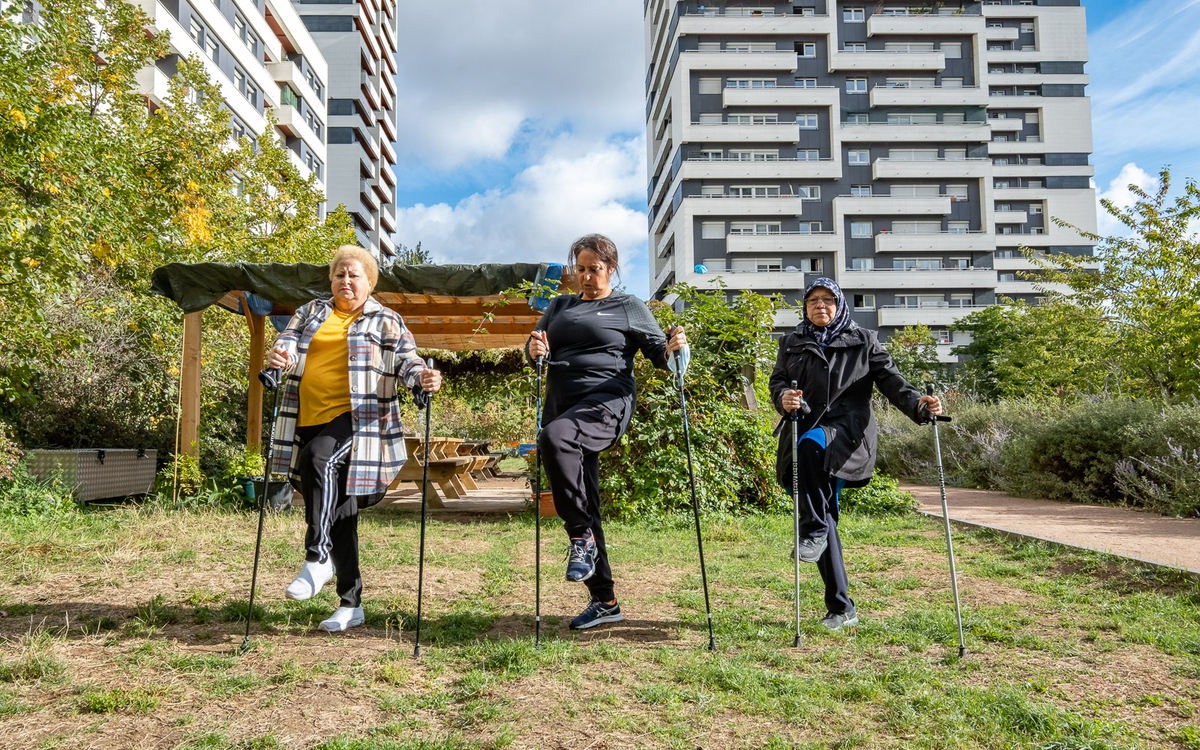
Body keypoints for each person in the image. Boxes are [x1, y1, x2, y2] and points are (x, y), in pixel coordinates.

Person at [266, 245, 442, 632]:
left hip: (359, 422)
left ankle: (317, 556)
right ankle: (351, 603)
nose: (345, 281)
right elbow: (288, 344)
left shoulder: (386, 320)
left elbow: (407, 361)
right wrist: (279, 355)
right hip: (307, 419)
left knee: (318, 460)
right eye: (339, 275)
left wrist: (423, 378)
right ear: (331, 279)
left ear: (369, 282)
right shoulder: (310, 312)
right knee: (342, 513)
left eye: (354, 275)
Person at [526, 234, 688, 630]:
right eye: (579, 269)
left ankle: (579, 538)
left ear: (611, 268)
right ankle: (605, 600)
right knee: (585, 497)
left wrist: (676, 349)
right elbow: (536, 352)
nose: (585, 277)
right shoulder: (559, 306)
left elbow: (660, 357)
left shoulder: (628, 306)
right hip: (563, 404)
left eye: (594, 269)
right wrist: (533, 353)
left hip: (606, 402)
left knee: (553, 437)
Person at [768, 277, 941, 631]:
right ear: (804, 306)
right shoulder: (791, 342)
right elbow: (778, 381)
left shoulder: (864, 341)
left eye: (828, 299)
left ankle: (812, 532)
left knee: (814, 487)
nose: (820, 306)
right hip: (802, 431)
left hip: (845, 435)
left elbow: (893, 383)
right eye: (813, 300)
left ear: (840, 304)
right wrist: (783, 397)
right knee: (824, 516)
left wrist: (920, 406)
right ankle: (842, 608)